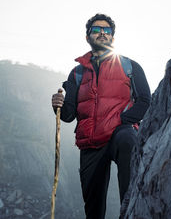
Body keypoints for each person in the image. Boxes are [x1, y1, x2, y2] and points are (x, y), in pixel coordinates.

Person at [51, 13, 151, 219]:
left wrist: (121, 121)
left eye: (107, 31)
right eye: (96, 30)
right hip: (90, 142)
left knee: (128, 142)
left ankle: (130, 213)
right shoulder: (77, 73)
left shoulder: (129, 66)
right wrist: (57, 106)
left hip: (119, 133)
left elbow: (145, 101)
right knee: (93, 208)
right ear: (88, 37)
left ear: (113, 38)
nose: (102, 34)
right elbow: (69, 115)